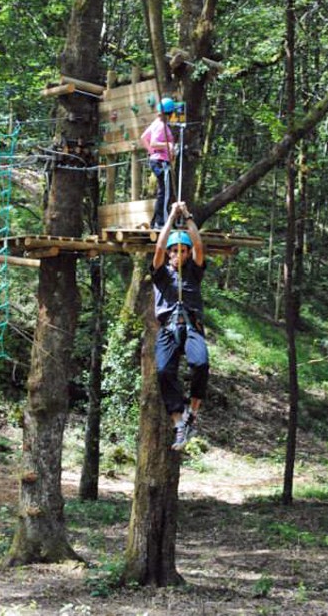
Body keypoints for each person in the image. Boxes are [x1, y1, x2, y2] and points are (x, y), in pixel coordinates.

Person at [151, 201, 208, 451]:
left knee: (200, 363)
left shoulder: (194, 273)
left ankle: (192, 413)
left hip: (191, 326)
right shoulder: (161, 274)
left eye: (181, 251)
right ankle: (178, 423)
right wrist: (170, 218)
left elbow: (197, 244)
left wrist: (187, 217)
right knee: (164, 371)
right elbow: (159, 247)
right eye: (174, 251)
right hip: (168, 329)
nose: (177, 255)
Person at [141, 97, 176, 229]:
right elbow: (154, 142)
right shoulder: (162, 126)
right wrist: (168, 145)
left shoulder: (156, 123)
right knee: (165, 192)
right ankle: (161, 222)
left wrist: (152, 153)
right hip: (161, 162)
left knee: (163, 191)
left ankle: (156, 221)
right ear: (170, 113)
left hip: (157, 159)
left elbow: (143, 138)